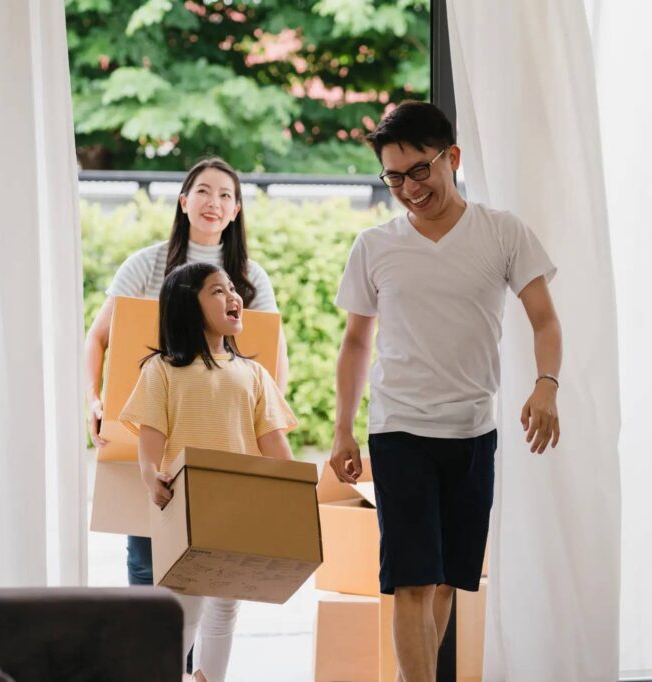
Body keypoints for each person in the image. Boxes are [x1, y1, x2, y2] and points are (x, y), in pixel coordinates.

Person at [331, 101, 563, 682]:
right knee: (411, 581)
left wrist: (546, 385)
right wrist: (342, 430)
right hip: (399, 429)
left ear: (451, 158)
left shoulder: (503, 232)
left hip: (472, 432)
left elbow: (544, 320)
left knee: (444, 584)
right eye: (394, 178)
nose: (410, 189)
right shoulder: (375, 246)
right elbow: (355, 343)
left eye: (420, 170)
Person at [83, 157, 288, 586]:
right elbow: (99, 337)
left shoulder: (249, 278)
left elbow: (272, 356)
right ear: (183, 201)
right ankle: (159, 635)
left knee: (222, 567)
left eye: (226, 195)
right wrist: (94, 400)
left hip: (222, 438)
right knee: (147, 559)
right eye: (203, 192)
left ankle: (195, 635)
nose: (214, 202)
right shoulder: (146, 264)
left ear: (236, 210)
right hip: (153, 428)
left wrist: (269, 427)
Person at [120, 262, 297, 682]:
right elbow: (150, 440)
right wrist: (151, 476)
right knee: (185, 606)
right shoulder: (162, 370)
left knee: (226, 604)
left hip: (239, 508)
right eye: (218, 291)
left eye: (233, 289)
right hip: (186, 507)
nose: (233, 297)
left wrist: (295, 498)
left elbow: (275, 445)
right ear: (187, 305)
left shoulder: (253, 374)